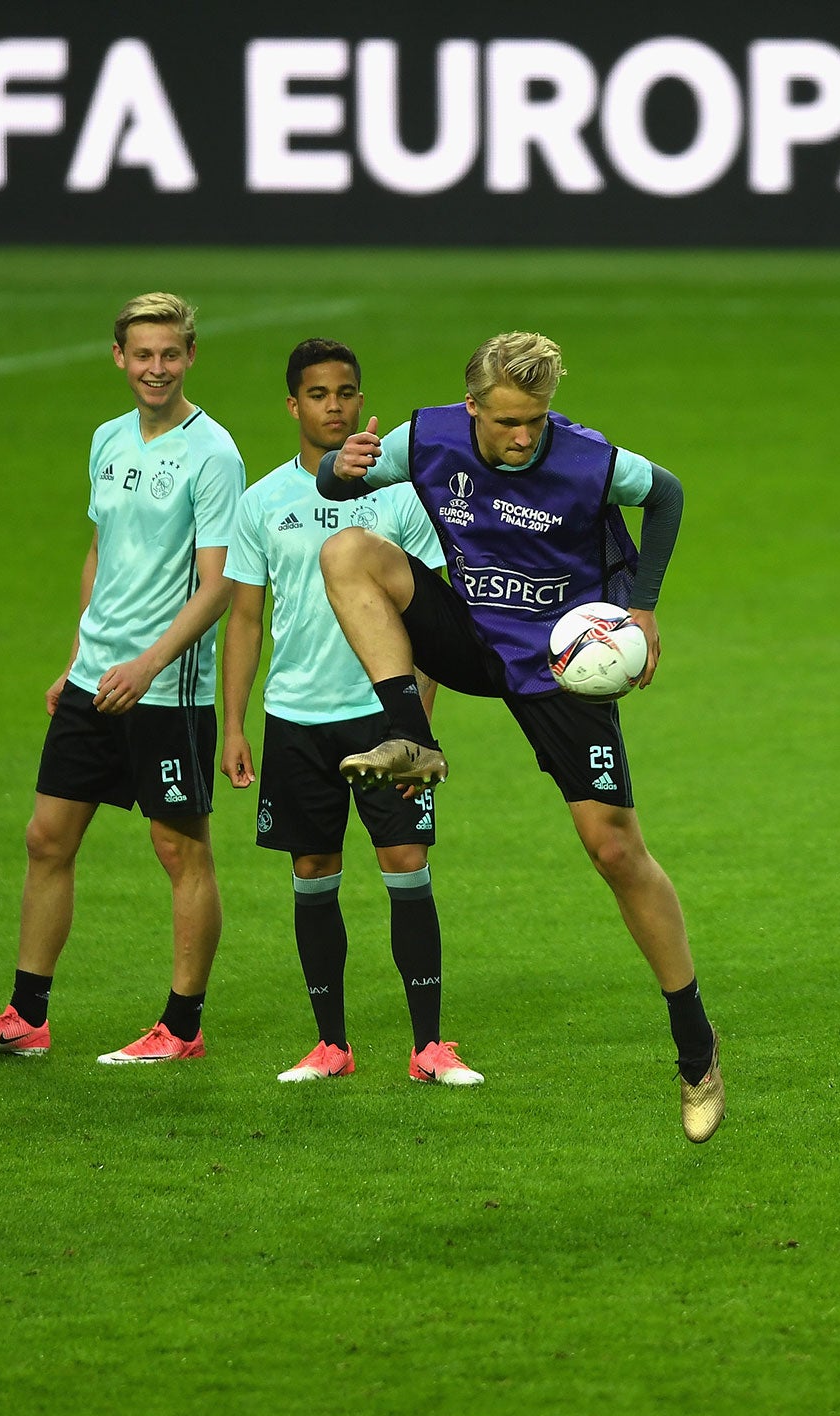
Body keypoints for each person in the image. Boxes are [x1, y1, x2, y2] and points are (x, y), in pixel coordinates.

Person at [314, 332, 725, 1141]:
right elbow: (336, 485)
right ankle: (410, 737)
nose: (523, 437)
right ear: (473, 407)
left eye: (535, 420)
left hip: (564, 662)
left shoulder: (587, 459)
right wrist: (343, 463)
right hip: (471, 637)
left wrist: (641, 606)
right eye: (507, 421)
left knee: (613, 850)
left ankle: (697, 1049)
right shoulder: (426, 438)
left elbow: (668, 493)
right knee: (348, 551)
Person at [0, 293, 243, 1066]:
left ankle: (181, 1027)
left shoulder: (213, 454)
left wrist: (148, 666)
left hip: (168, 688)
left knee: (180, 851)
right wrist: (79, 656)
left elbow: (219, 586)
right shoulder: (107, 438)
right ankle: (27, 1017)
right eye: (141, 355)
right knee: (47, 838)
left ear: (190, 356)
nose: (155, 369)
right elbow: (100, 552)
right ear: (119, 357)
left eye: (169, 354)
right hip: (96, 678)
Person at [221, 338, 480, 1087]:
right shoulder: (263, 501)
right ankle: (330, 1045)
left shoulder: (399, 496)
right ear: (294, 404)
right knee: (313, 871)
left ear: (361, 400)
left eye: (346, 393)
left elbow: (435, 617)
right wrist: (234, 725)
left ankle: (429, 1047)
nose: (335, 406)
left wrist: (416, 730)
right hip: (296, 718)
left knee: (406, 866)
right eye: (319, 394)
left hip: (380, 719)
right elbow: (244, 620)